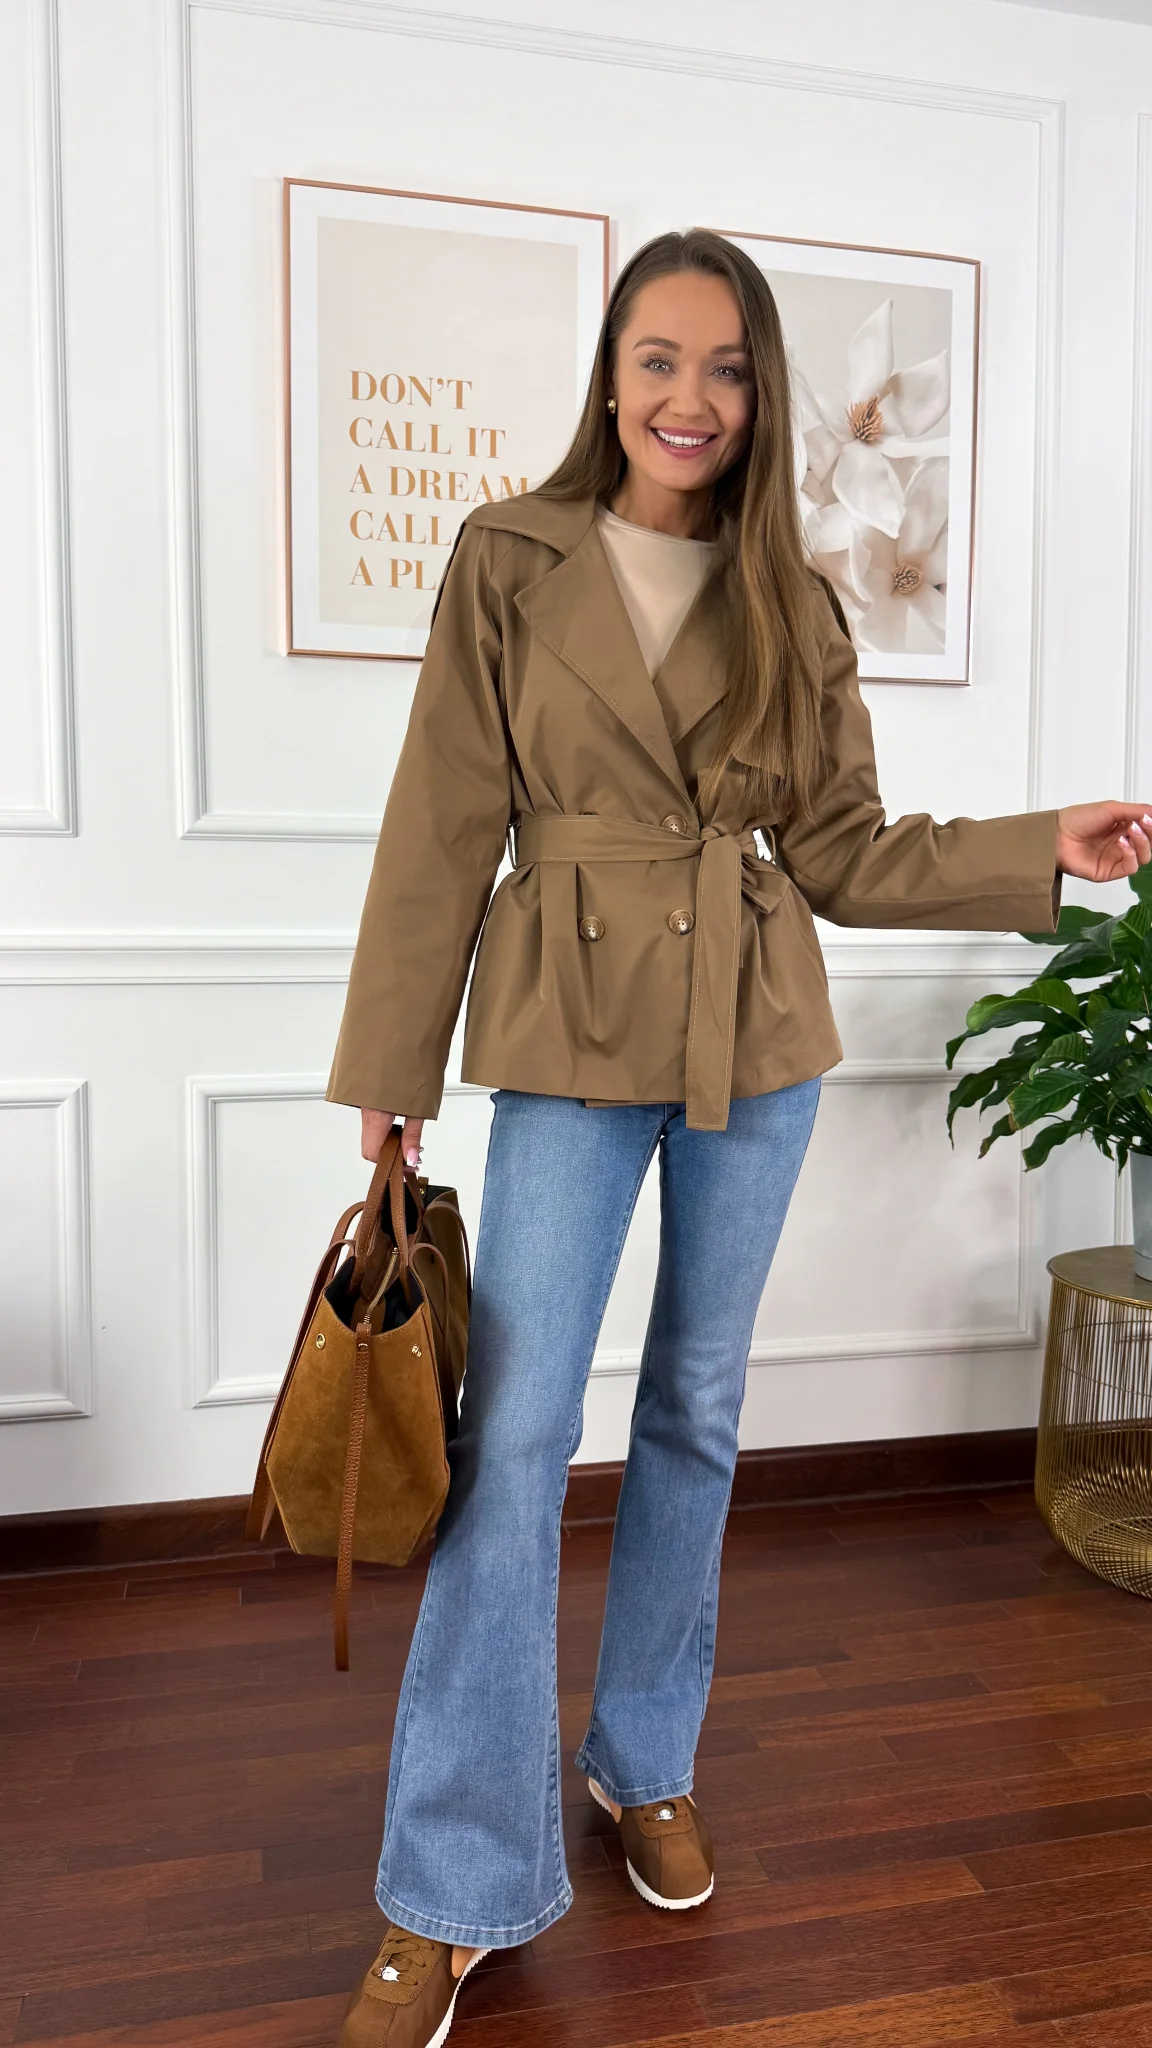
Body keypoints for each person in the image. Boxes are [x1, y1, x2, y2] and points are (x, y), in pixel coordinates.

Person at [326, 229, 1150, 2048]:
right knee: (513, 1437)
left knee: (696, 1407)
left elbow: (844, 851)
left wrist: (1038, 844)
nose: (688, 398)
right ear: (610, 375)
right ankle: (450, 1886)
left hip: (755, 1036)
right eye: (659, 359)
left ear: (762, 394)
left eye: (725, 367)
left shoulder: (800, 598)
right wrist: (392, 1063)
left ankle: (644, 1760)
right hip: (566, 1026)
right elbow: (441, 819)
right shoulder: (510, 557)